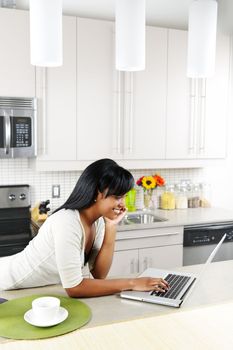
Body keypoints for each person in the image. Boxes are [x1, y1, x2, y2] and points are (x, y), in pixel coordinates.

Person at [0, 159, 169, 297]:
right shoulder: (67, 221)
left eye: (124, 197)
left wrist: (111, 226)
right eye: (118, 197)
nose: (123, 204)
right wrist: (133, 283)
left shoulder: (99, 221)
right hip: (6, 284)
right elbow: (75, 288)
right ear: (97, 193)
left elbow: (99, 275)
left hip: (30, 289)